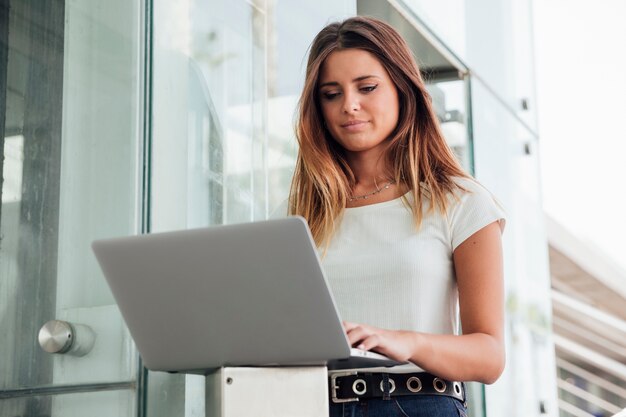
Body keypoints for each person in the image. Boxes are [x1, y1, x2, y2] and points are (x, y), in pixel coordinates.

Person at [288, 16, 506, 417]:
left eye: (366, 87)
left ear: (402, 88)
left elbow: (490, 356)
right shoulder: (303, 215)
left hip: (415, 403)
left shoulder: (459, 200)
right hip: (309, 404)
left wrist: (407, 342)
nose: (349, 105)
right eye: (331, 94)